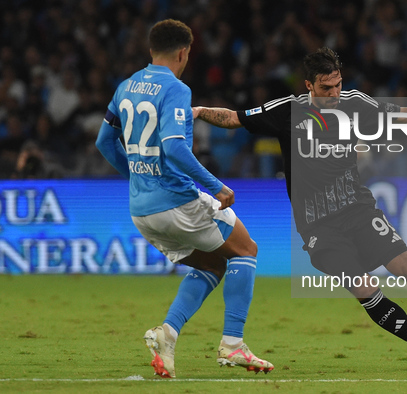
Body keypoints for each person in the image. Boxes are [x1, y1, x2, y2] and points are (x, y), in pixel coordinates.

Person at [192, 47, 407, 351]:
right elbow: (234, 118)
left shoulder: (354, 103)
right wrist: (200, 112)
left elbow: (404, 114)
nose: (334, 93)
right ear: (308, 85)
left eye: (338, 84)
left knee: (406, 266)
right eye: (325, 87)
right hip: (318, 226)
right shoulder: (286, 111)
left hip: (358, 209)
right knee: (365, 287)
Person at [95, 19, 273, 378]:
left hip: (142, 211)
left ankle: (168, 334)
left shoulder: (125, 87)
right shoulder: (175, 88)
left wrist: (139, 178)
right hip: (177, 202)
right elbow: (175, 147)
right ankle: (233, 345)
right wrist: (216, 186)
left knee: (212, 264)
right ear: (183, 52)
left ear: (151, 50)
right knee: (246, 250)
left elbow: (103, 141)